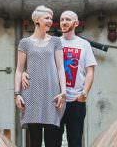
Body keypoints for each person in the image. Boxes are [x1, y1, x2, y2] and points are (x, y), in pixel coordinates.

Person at [22, 10, 97, 147]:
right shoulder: (52, 42)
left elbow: (90, 71)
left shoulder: (84, 45)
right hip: (55, 102)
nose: (63, 22)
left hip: (76, 101)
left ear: (76, 23)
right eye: (62, 20)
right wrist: (23, 73)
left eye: (68, 19)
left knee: (75, 142)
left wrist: (84, 93)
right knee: (53, 143)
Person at [15, 5, 67, 147]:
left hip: (52, 94)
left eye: (51, 18)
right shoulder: (25, 43)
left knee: (52, 140)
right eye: (47, 18)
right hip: (31, 94)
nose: (50, 21)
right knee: (35, 140)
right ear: (37, 20)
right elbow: (19, 70)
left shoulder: (56, 41)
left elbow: (61, 68)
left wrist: (63, 91)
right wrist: (17, 94)